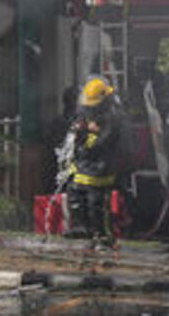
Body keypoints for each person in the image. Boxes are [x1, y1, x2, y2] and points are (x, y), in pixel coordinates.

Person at [66, 77, 126, 247]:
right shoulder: (86, 112)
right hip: (84, 165)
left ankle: (102, 235)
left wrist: (88, 143)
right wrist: (80, 132)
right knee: (75, 193)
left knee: (96, 202)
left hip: (102, 167)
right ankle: (81, 227)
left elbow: (104, 141)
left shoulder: (113, 117)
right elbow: (77, 132)